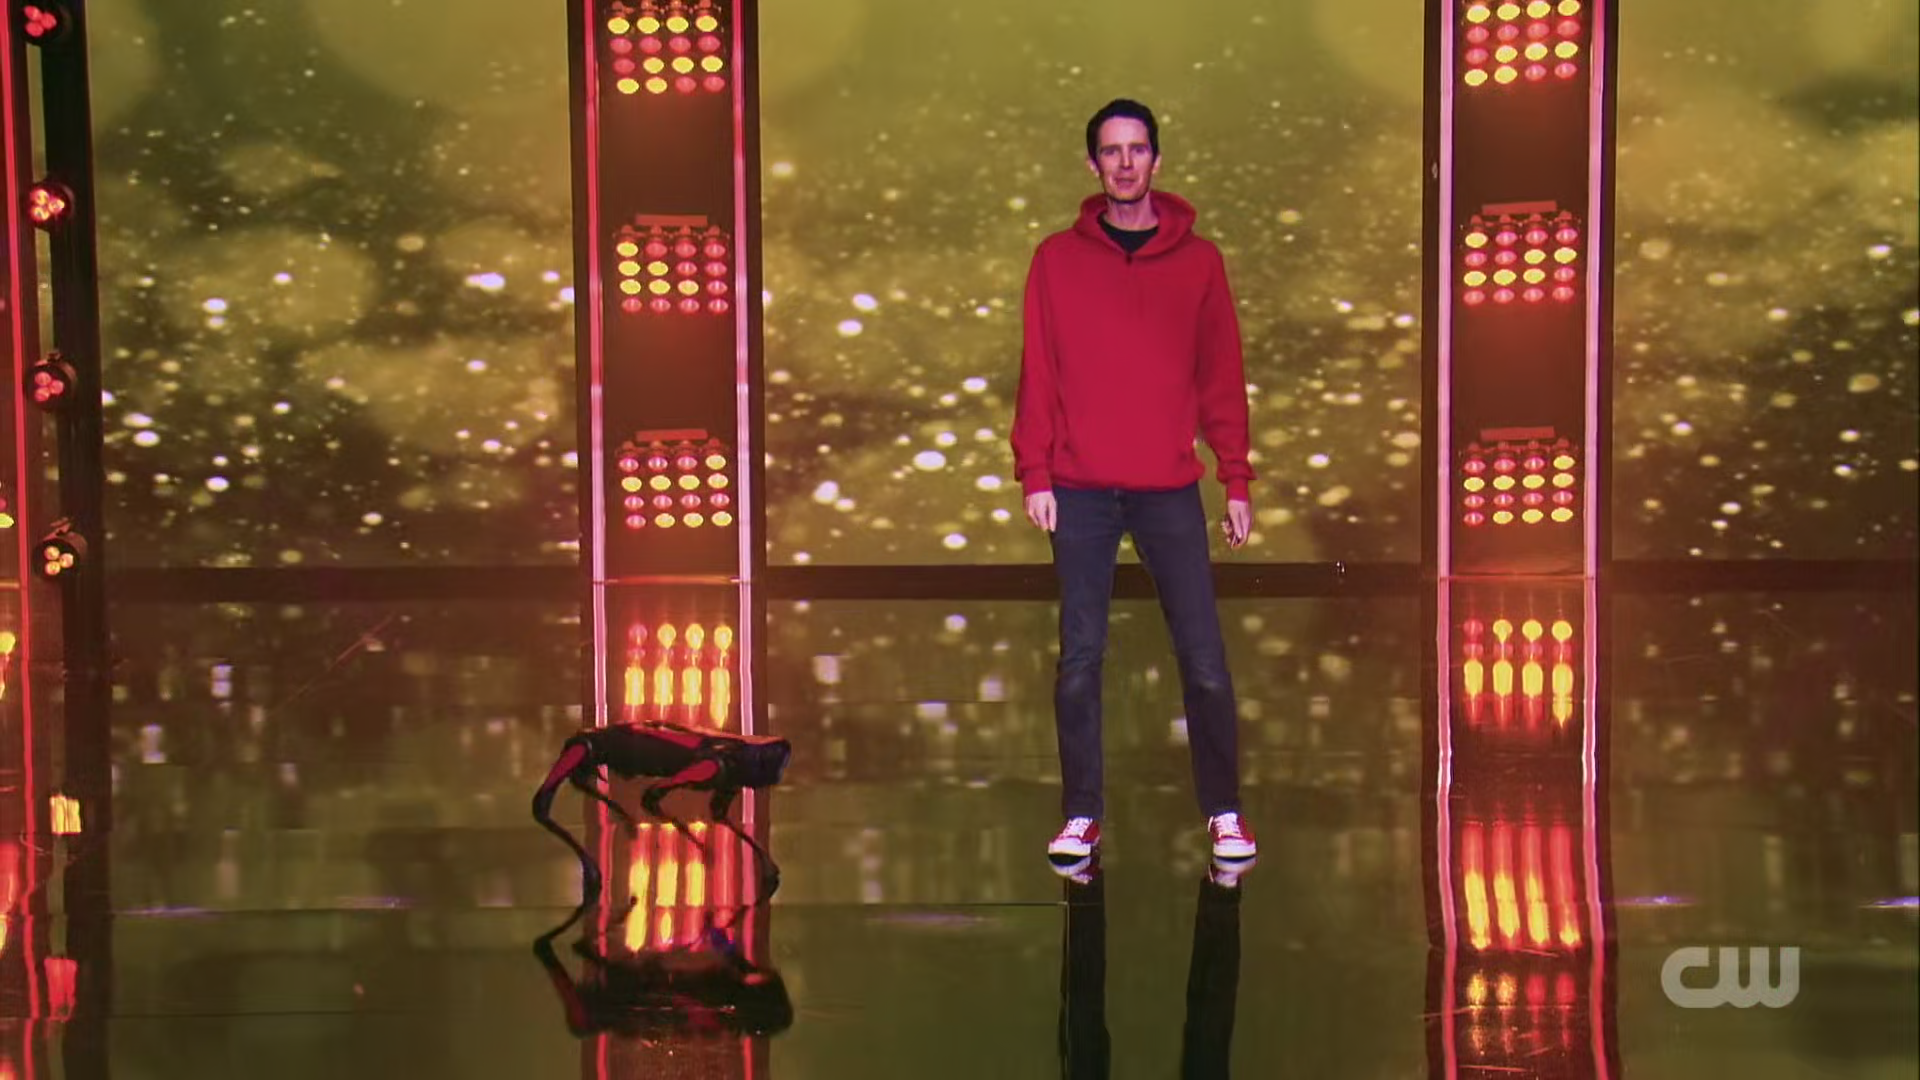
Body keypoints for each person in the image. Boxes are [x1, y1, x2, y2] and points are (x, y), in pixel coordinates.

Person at [1011, 98, 1257, 869]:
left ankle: (1224, 811)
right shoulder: (1056, 259)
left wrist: (1236, 477)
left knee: (1204, 658)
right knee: (1080, 659)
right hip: (1079, 486)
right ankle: (1081, 814)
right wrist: (1035, 469)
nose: (1124, 163)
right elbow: (1039, 369)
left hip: (1167, 486)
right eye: (1111, 151)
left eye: (1137, 149)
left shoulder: (1200, 262)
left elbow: (1221, 375)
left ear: (1156, 159)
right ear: (1092, 164)